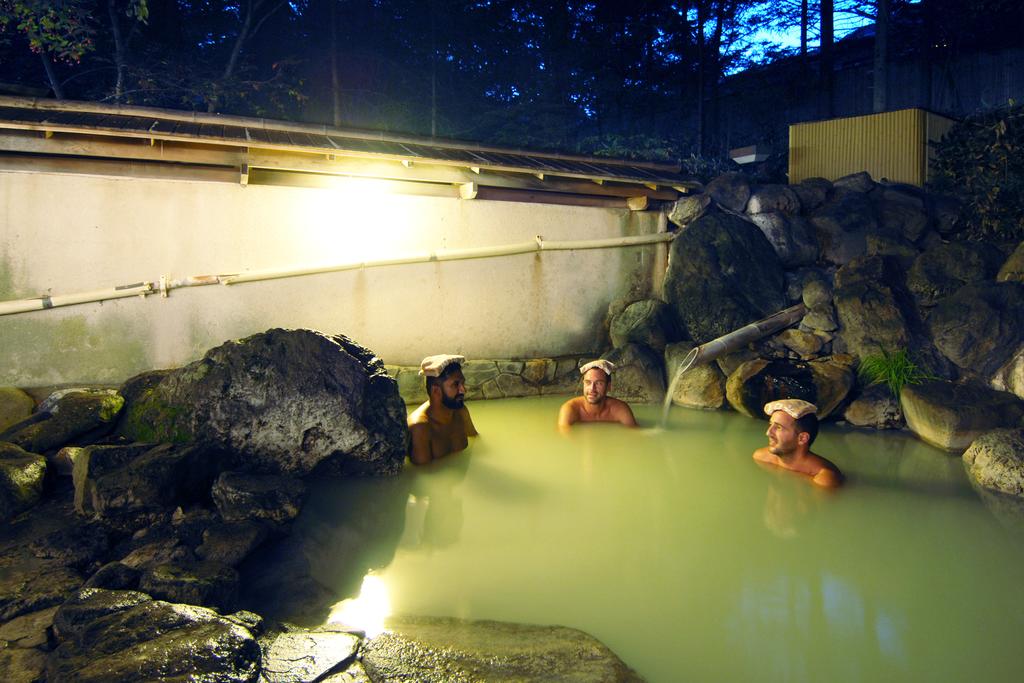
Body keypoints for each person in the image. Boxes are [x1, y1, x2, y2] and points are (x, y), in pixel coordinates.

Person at [752, 399, 843, 488]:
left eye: (779, 427)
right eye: (770, 424)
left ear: (802, 438)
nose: (768, 432)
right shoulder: (761, 458)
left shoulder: (825, 478)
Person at [408, 354, 478, 465]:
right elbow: (423, 473)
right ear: (436, 391)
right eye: (455, 385)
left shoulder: (461, 411)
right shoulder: (420, 428)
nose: (463, 390)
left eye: (462, 383)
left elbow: (476, 442)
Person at [557, 359, 637, 429]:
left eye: (599, 383)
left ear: (608, 386)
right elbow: (564, 437)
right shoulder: (570, 409)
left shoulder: (620, 409)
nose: (592, 389)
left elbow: (635, 436)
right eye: (588, 382)